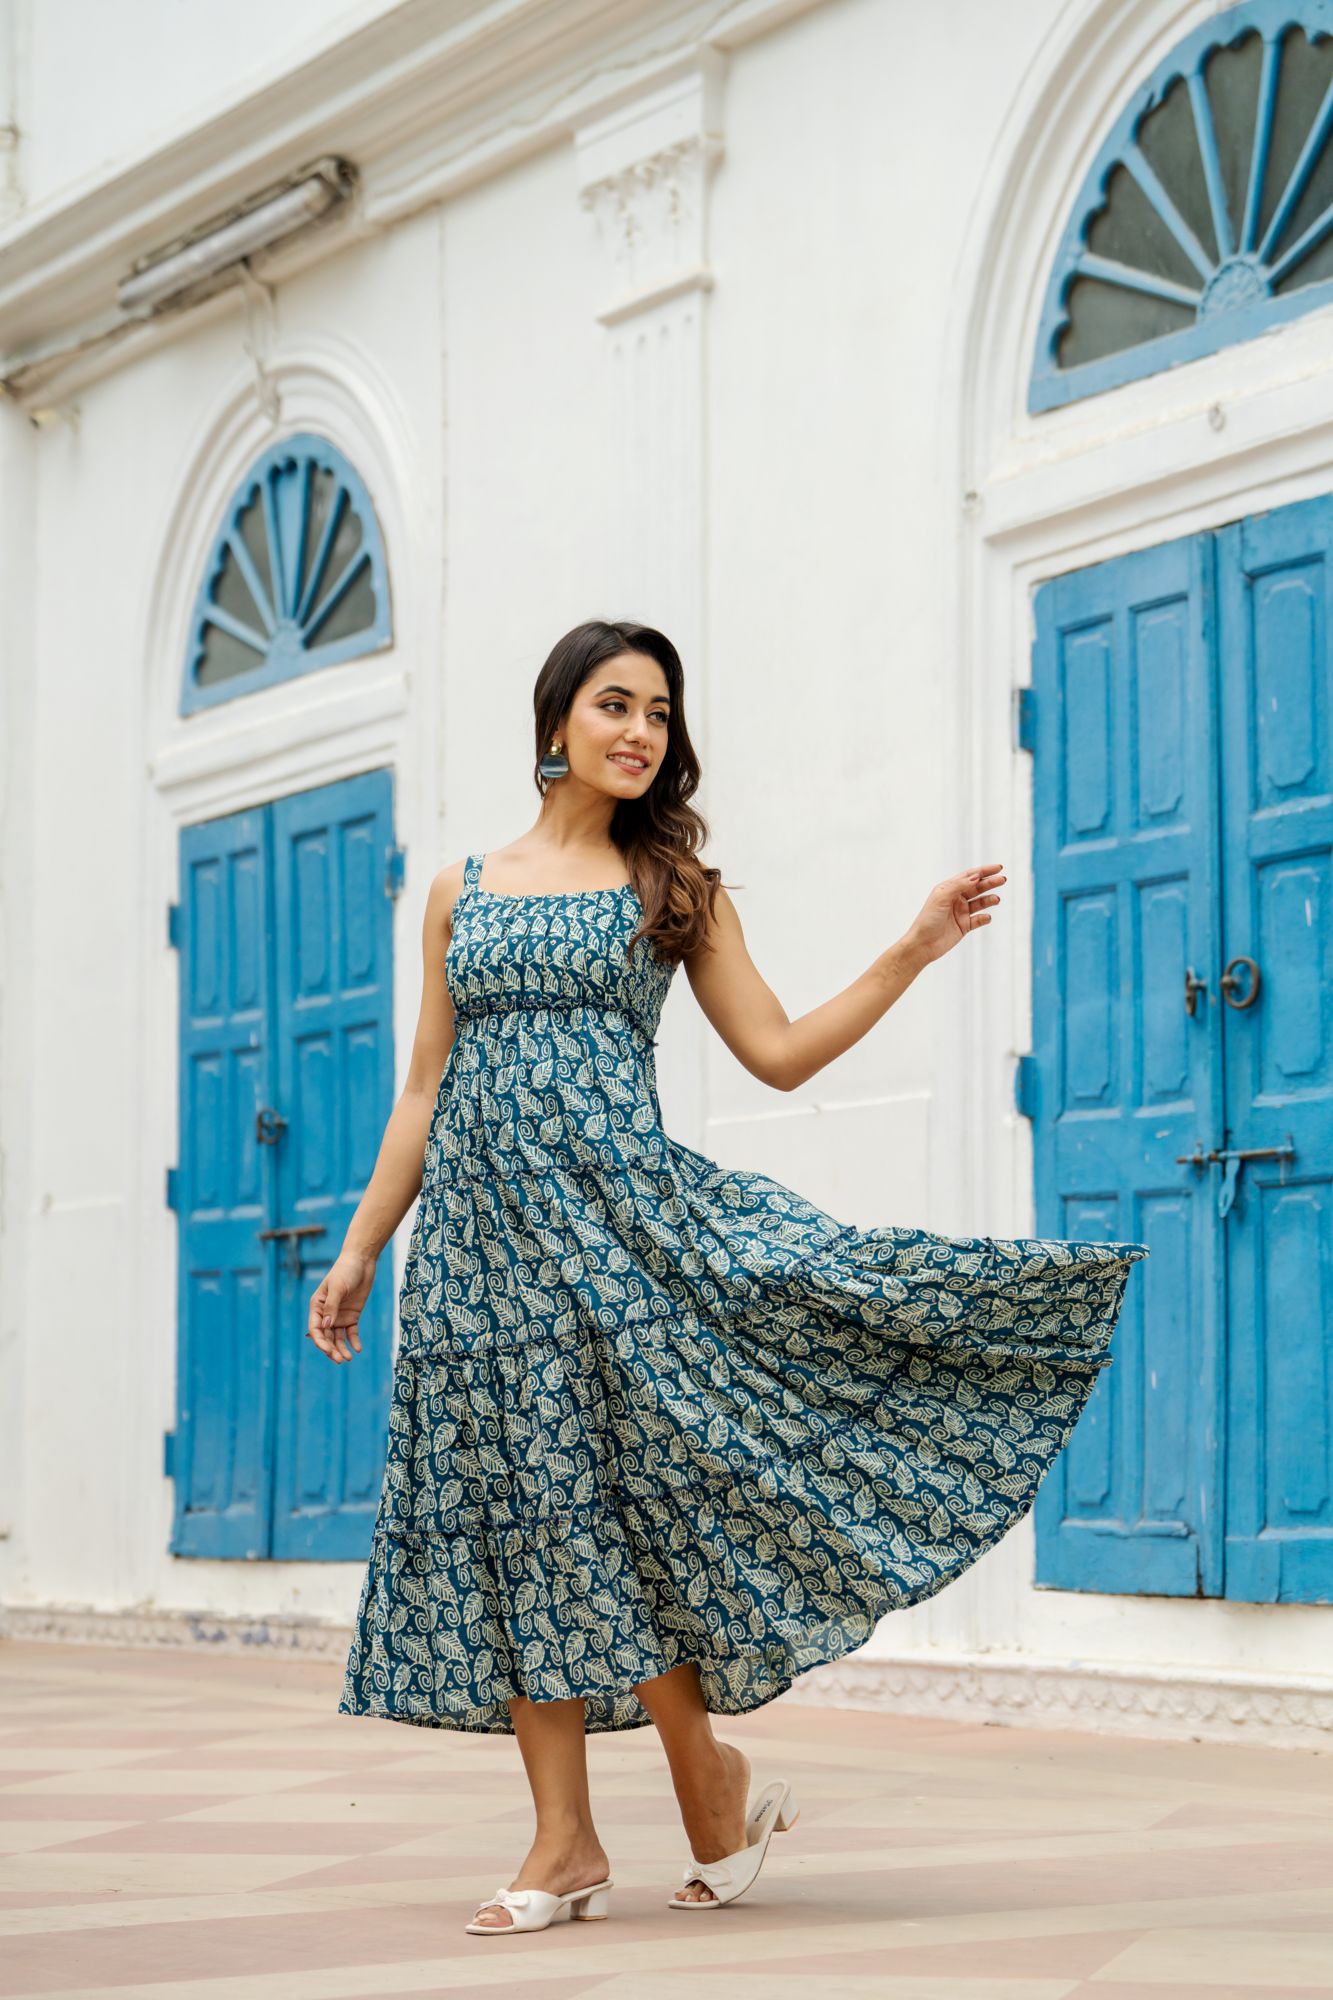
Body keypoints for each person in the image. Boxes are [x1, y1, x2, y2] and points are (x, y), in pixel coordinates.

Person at [317, 619, 1148, 1935]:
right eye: (614, 704)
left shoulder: (673, 888)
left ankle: (703, 1782)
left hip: (622, 1241)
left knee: (628, 1510)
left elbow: (775, 1051)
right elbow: (425, 1084)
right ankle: (570, 1838)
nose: (640, 730)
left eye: (658, 710)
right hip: (477, 1259)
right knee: (521, 1519)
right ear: (556, 724)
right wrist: (363, 1245)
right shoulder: (457, 889)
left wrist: (909, 948)